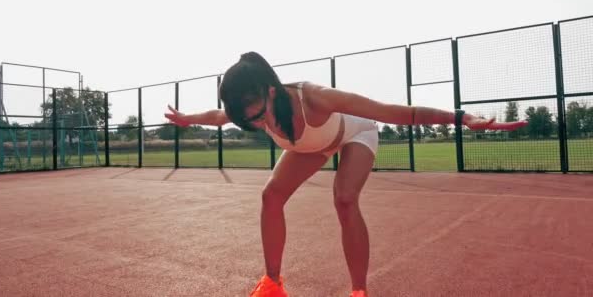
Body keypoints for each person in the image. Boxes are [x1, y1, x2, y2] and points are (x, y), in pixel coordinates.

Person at [164, 52, 527, 297]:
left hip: (355, 133)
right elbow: (217, 116)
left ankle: (358, 292)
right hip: (313, 145)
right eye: (250, 122)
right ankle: (273, 284)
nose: (261, 124)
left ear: (271, 91)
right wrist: (188, 118)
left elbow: (393, 111)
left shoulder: (315, 98)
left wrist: (461, 118)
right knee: (271, 196)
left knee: (344, 198)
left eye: (260, 114)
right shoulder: (247, 108)